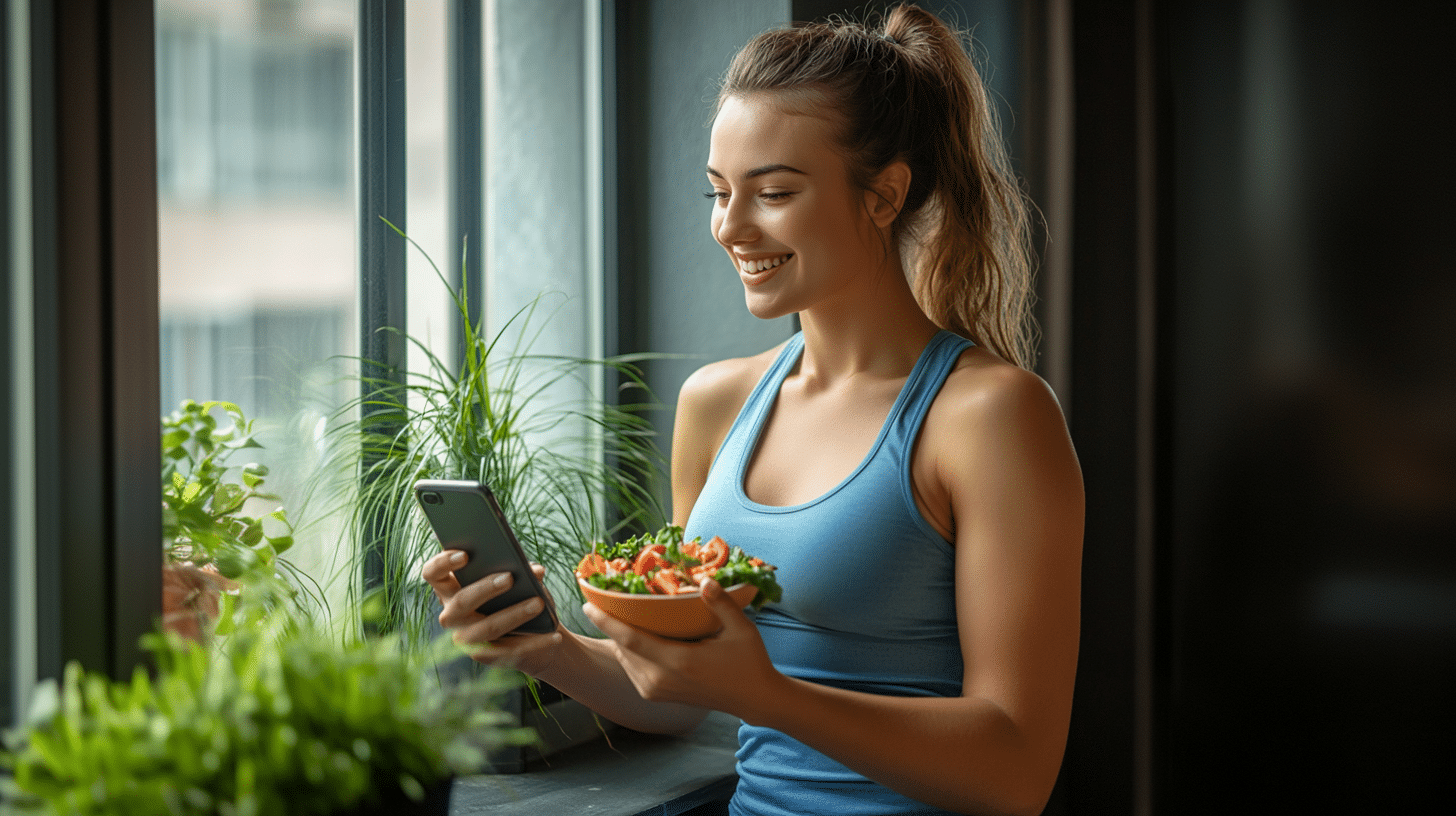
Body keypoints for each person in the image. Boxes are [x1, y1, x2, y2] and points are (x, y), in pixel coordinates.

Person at [422, 5, 1083, 815]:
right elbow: (678, 692)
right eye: (718, 191)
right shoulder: (716, 404)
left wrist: (769, 695)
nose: (731, 226)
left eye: (772, 192)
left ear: (885, 194)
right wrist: (547, 649)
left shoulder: (992, 418)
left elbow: (1016, 774)